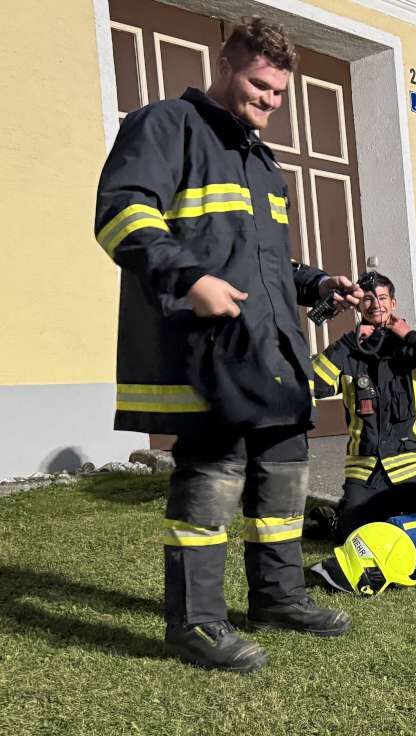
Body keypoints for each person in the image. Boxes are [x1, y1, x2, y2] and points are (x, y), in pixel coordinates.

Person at [94, 17, 362, 673]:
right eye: (258, 86)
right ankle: (195, 623)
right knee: (210, 482)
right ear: (227, 65)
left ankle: (278, 597)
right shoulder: (164, 126)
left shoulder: (264, 166)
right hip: (204, 352)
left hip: (271, 356)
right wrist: (189, 280)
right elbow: (119, 215)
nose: (269, 102)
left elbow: (266, 265)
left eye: (278, 93)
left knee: (283, 482)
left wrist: (319, 281)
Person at [310, 270, 416, 539]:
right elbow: (312, 383)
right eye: (369, 299)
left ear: (393, 303)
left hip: (415, 467)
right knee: (353, 536)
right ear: (359, 305)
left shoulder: (412, 350)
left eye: (383, 298)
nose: (376, 305)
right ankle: (342, 518)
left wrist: (410, 335)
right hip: (366, 469)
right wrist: (347, 344)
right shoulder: (349, 352)